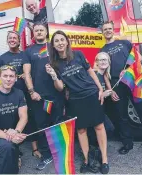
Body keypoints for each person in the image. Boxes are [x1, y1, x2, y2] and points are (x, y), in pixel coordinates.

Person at [100, 21, 142, 159]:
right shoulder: (101, 51)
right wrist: (110, 90)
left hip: (133, 81)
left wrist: (128, 70)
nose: (107, 31)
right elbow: (104, 73)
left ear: (113, 30)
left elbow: (136, 57)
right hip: (116, 84)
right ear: (102, 32)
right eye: (105, 29)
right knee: (122, 116)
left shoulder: (124, 43)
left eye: (109, 28)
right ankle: (127, 143)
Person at [46, 30, 109, 174]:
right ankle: (87, 160)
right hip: (74, 99)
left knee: (99, 126)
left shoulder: (78, 54)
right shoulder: (54, 64)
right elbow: (60, 88)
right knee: (81, 130)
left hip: (91, 94)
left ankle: (104, 160)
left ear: (67, 41)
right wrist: (54, 76)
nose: (60, 43)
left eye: (62, 39)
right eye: (57, 41)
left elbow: (91, 72)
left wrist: (100, 89)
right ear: (53, 45)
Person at [23, 23, 64, 170]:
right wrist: (32, 91)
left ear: (46, 32)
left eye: (41, 30)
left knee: (58, 124)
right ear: (33, 34)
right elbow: (26, 73)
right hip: (38, 97)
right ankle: (46, 156)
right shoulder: (28, 51)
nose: (39, 32)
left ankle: (59, 153)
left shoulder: (53, 47)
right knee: (42, 127)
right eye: (36, 30)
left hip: (56, 94)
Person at [0, 30, 41, 158]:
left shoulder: (25, 54)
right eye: (10, 38)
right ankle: (13, 150)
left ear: (19, 41)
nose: (12, 40)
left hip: (26, 93)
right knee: (11, 122)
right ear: (7, 40)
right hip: (9, 94)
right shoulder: (2, 58)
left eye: (14, 38)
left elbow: (30, 72)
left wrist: (25, 76)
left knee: (30, 119)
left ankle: (35, 149)